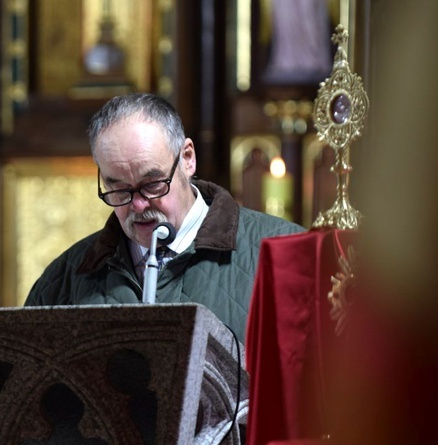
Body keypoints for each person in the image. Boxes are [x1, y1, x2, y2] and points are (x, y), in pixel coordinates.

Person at [25, 92, 303, 342]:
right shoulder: (64, 278)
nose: (138, 204)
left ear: (187, 158)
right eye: (118, 188)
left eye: (153, 183)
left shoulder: (285, 253)